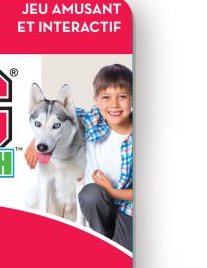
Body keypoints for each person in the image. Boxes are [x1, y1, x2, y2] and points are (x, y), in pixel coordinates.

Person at [26, 63, 133, 251]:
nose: (114, 104)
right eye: (106, 97)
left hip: (126, 211)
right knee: (90, 193)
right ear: (96, 100)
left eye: (122, 97)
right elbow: (58, 117)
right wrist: (37, 142)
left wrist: (112, 191)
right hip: (95, 205)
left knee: (129, 251)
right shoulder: (94, 120)